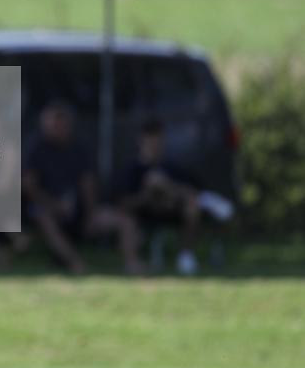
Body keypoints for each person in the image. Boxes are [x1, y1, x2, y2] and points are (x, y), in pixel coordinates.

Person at [22, 101, 144, 275]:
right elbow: (29, 186)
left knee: (126, 221)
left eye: (59, 123)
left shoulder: (79, 149)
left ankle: (132, 263)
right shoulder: (35, 149)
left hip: (81, 211)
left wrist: (91, 211)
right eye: (51, 124)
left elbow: (88, 183)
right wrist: (55, 205)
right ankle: (77, 264)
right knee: (43, 217)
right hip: (47, 209)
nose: (55, 128)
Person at [119, 117, 233, 275]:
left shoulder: (171, 167)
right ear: (142, 141)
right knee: (154, 183)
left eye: (158, 140)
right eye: (151, 140)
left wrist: (167, 185)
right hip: (147, 211)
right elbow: (125, 203)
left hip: (174, 207)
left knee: (190, 202)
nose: (155, 144)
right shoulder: (133, 170)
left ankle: (185, 256)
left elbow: (193, 189)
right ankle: (207, 200)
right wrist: (148, 193)